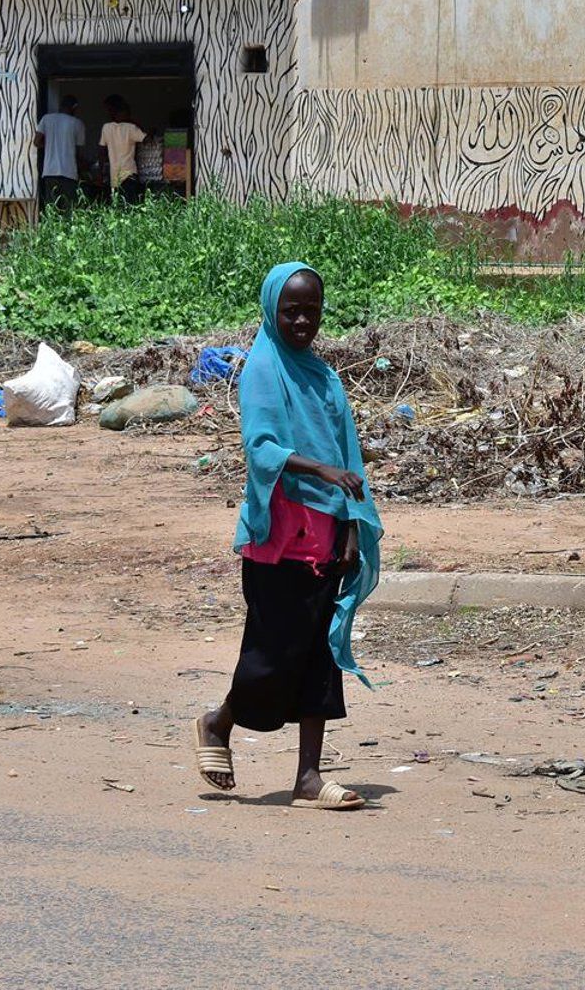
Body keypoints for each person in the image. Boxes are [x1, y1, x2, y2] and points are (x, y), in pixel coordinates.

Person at [193, 262, 381, 810]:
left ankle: (309, 779)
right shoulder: (262, 369)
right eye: (290, 311)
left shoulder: (324, 377)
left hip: (325, 538)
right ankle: (218, 721)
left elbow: (348, 458)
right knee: (271, 657)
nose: (302, 321)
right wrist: (320, 471)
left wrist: (350, 527)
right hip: (277, 541)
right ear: (271, 310)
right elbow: (261, 448)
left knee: (320, 657)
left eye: (311, 311)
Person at [34, 97, 85, 213]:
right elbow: (79, 152)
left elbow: (36, 142)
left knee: (52, 208)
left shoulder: (46, 119)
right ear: (74, 108)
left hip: (50, 172)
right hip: (69, 172)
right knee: (68, 209)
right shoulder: (77, 123)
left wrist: (49, 144)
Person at [100, 95, 148, 206]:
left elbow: (101, 150)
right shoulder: (132, 127)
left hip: (114, 176)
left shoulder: (106, 128)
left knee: (118, 206)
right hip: (129, 173)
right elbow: (146, 140)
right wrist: (150, 132)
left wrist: (101, 172)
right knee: (131, 205)